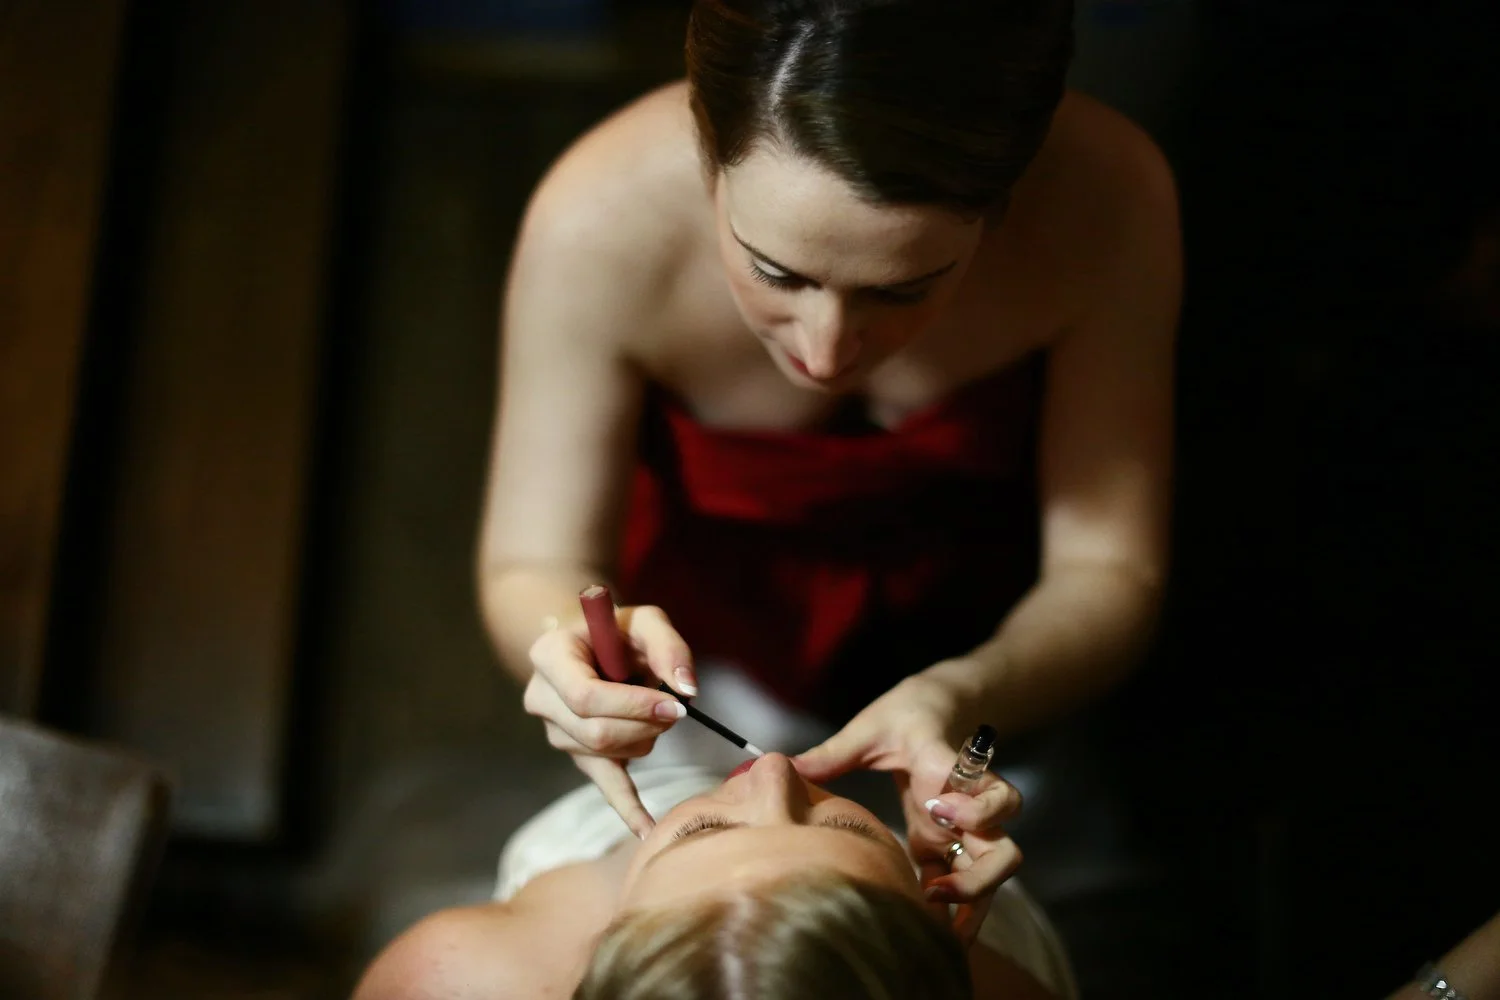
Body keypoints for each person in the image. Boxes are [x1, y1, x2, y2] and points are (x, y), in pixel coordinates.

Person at [477, 0, 1178, 855]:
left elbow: (1108, 569)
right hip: (709, 663)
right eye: (776, 271)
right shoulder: (599, 219)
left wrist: (965, 694)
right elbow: (532, 560)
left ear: (1003, 202)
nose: (827, 349)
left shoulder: (1106, 203)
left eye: (903, 287)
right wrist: (571, 659)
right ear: (709, 158)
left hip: (1008, 656)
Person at [351, 751, 1077, 999]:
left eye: (703, 830)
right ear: (941, 914)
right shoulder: (999, 977)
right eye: (849, 825)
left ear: (603, 946)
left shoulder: (448, 975)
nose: (773, 770)